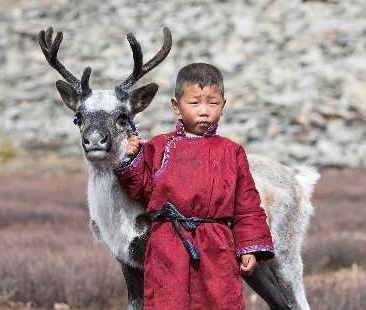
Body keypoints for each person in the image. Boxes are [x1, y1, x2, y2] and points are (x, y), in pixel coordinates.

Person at [114, 63, 275, 309]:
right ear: (176, 106)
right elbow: (141, 190)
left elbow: (247, 206)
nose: (204, 111)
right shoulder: (158, 147)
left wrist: (249, 248)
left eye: (213, 103)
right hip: (167, 247)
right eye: (195, 103)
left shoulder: (232, 152)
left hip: (217, 248)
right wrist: (130, 159)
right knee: (168, 302)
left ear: (223, 105)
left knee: (220, 301)